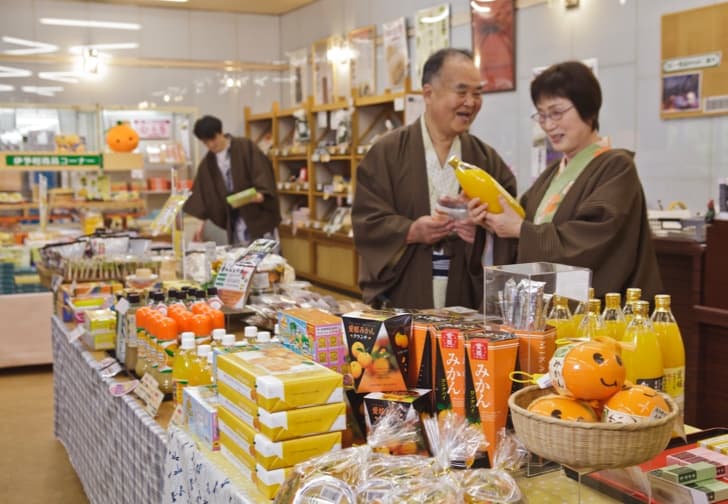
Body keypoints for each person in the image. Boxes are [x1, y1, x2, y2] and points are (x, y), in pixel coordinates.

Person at [468, 61, 662, 300]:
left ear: (588, 108)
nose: (548, 125)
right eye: (542, 115)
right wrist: (493, 223)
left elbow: (592, 240)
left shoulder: (617, 168)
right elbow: (522, 226)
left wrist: (520, 230)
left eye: (557, 113)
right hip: (546, 310)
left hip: (593, 312)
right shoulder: (551, 176)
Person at [352, 48, 517, 309]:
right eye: (461, 92)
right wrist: (411, 231)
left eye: (477, 93)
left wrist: (480, 234)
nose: (471, 102)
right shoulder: (387, 152)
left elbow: (511, 224)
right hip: (407, 287)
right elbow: (366, 221)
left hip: (464, 293)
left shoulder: (486, 158)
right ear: (428, 93)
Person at [183, 115, 280, 245]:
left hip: (259, 217)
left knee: (267, 261)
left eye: (213, 139)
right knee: (241, 260)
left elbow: (262, 174)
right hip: (235, 221)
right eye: (206, 142)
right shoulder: (208, 163)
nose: (211, 145)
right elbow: (203, 195)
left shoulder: (245, 147)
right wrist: (200, 223)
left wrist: (261, 193)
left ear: (220, 132)